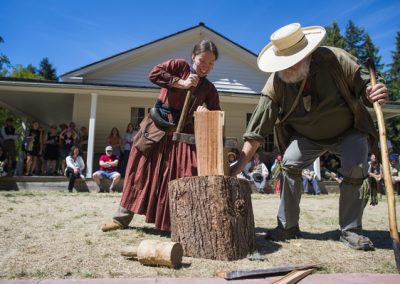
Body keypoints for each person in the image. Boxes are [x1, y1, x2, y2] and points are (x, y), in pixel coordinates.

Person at [230, 23, 388, 251]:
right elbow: (257, 129)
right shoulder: (276, 82)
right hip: (307, 137)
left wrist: (374, 91)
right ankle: (287, 226)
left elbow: (366, 84)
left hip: (348, 130)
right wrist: (238, 167)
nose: (289, 67)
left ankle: (351, 230)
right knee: (290, 164)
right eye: (284, 61)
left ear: (308, 54)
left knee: (355, 166)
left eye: (295, 59)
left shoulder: (336, 59)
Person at [101, 39, 221, 232]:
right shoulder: (179, 66)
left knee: (185, 173)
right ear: (193, 57)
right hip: (156, 128)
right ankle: (120, 219)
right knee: (139, 171)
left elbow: (217, 115)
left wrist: (206, 113)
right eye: (202, 61)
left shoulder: (209, 89)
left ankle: (176, 224)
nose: (206, 67)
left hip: (181, 135)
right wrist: (180, 83)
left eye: (211, 63)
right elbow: (154, 74)